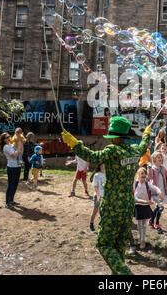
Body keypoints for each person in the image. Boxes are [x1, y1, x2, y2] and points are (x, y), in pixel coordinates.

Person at [61, 116, 151, 275]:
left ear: (115, 137)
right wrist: (146, 135)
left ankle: (124, 273)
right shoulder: (134, 150)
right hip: (128, 204)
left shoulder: (112, 151)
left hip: (112, 204)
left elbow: (93, 157)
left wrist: (74, 143)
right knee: (118, 245)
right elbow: (144, 146)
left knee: (103, 244)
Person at [134, 167, 162, 249]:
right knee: (139, 225)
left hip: (146, 206)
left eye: (144, 173)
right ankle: (141, 239)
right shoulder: (135, 183)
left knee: (144, 224)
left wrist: (159, 193)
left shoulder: (147, 184)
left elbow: (155, 188)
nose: (143, 175)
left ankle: (142, 239)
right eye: (141, 173)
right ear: (138, 175)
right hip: (138, 206)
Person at [0, 132, 22, 209]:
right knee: (10, 185)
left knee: (15, 184)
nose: (8, 138)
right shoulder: (6, 147)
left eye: (9, 137)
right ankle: (7, 202)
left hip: (17, 166)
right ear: (3, 140)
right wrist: (18, 147)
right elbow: (14, 155)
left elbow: (19, 153)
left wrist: (19, 142)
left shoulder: (11, 145)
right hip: (11, 168)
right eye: (7, 137)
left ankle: (11, 200)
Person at [147, 151, 167, 234]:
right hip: (155, 191)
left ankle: (151, 220)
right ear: (154, 160)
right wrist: (149, 168)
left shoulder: (163, 168)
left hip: (163, 190)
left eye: (161, 157)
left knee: (158, 207)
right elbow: (149, 177)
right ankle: (157, 223)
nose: (160, 158)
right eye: (158, 157)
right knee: (160, 207)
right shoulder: (152, 169)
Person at [89, 163, 106, 233]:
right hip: (98, 196)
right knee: (95, 211)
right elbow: (95, 186)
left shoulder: (109, 174)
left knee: (104, 212)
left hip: (106, 196)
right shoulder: (97, 175)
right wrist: (98, 196)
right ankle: (91, 225)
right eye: (102, 164)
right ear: (100, 165)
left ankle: (102, 227)